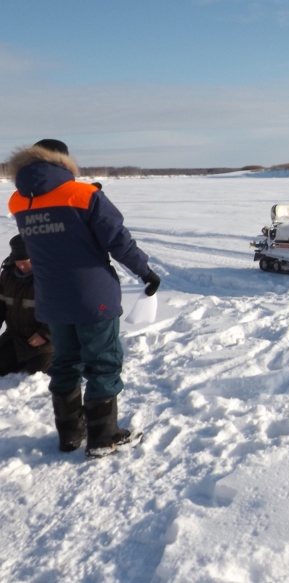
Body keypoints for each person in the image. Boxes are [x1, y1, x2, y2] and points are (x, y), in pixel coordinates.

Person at [6, 139, 161, 457]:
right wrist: (146, 272)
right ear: (62, 161)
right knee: (103, 364)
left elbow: (56, 222)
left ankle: (69, 435)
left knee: (64, 363)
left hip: (52, 300)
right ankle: (104, 437)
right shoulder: (85, 196)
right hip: (94, 298)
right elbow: (118, 241)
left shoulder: (18, 202)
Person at [0, 235, 54, 376]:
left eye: (25, 262)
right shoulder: (7, 276)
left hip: (44, 342)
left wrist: (45, 334)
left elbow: (61, 311)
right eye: (18, 262)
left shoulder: (50, 278)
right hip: (15, 337)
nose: (20, 266)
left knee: (37, 371)